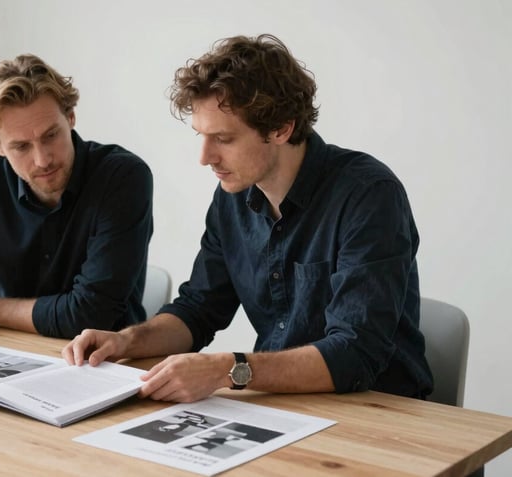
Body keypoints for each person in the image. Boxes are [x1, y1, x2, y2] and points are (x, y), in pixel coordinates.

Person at [63, 34, 433, 403]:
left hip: (379, 413)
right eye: (201, 136)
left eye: (223, 138)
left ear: (281, 128)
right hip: (283, 407)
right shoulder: (232, 198)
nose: (205, 157)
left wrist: (227, 369)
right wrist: (125, 340)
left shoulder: (368, 194)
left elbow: (355, 354)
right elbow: (199, 310)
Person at [0, 54, 153, 367]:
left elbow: (90, 314)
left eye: (51, 135)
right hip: (18, 358)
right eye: (21, 146)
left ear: (71, 117)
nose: (43, 159)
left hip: (107, 365)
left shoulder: (122, 177)